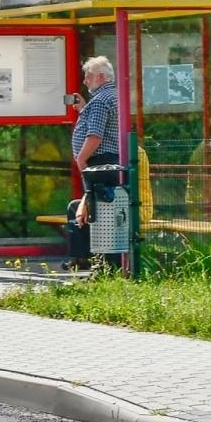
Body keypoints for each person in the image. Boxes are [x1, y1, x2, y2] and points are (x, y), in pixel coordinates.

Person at [65, 56, 120, 271]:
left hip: (99, 163)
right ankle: (85, 259)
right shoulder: (112, 97)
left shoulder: (100, 101)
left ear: (100, 77)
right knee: (88, 207)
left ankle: (100, 263)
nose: (85, 81)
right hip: (109, 162)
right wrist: (83, 109)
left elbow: (95, 136)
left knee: (97, 211)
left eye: (88, 76)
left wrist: (81, 158)